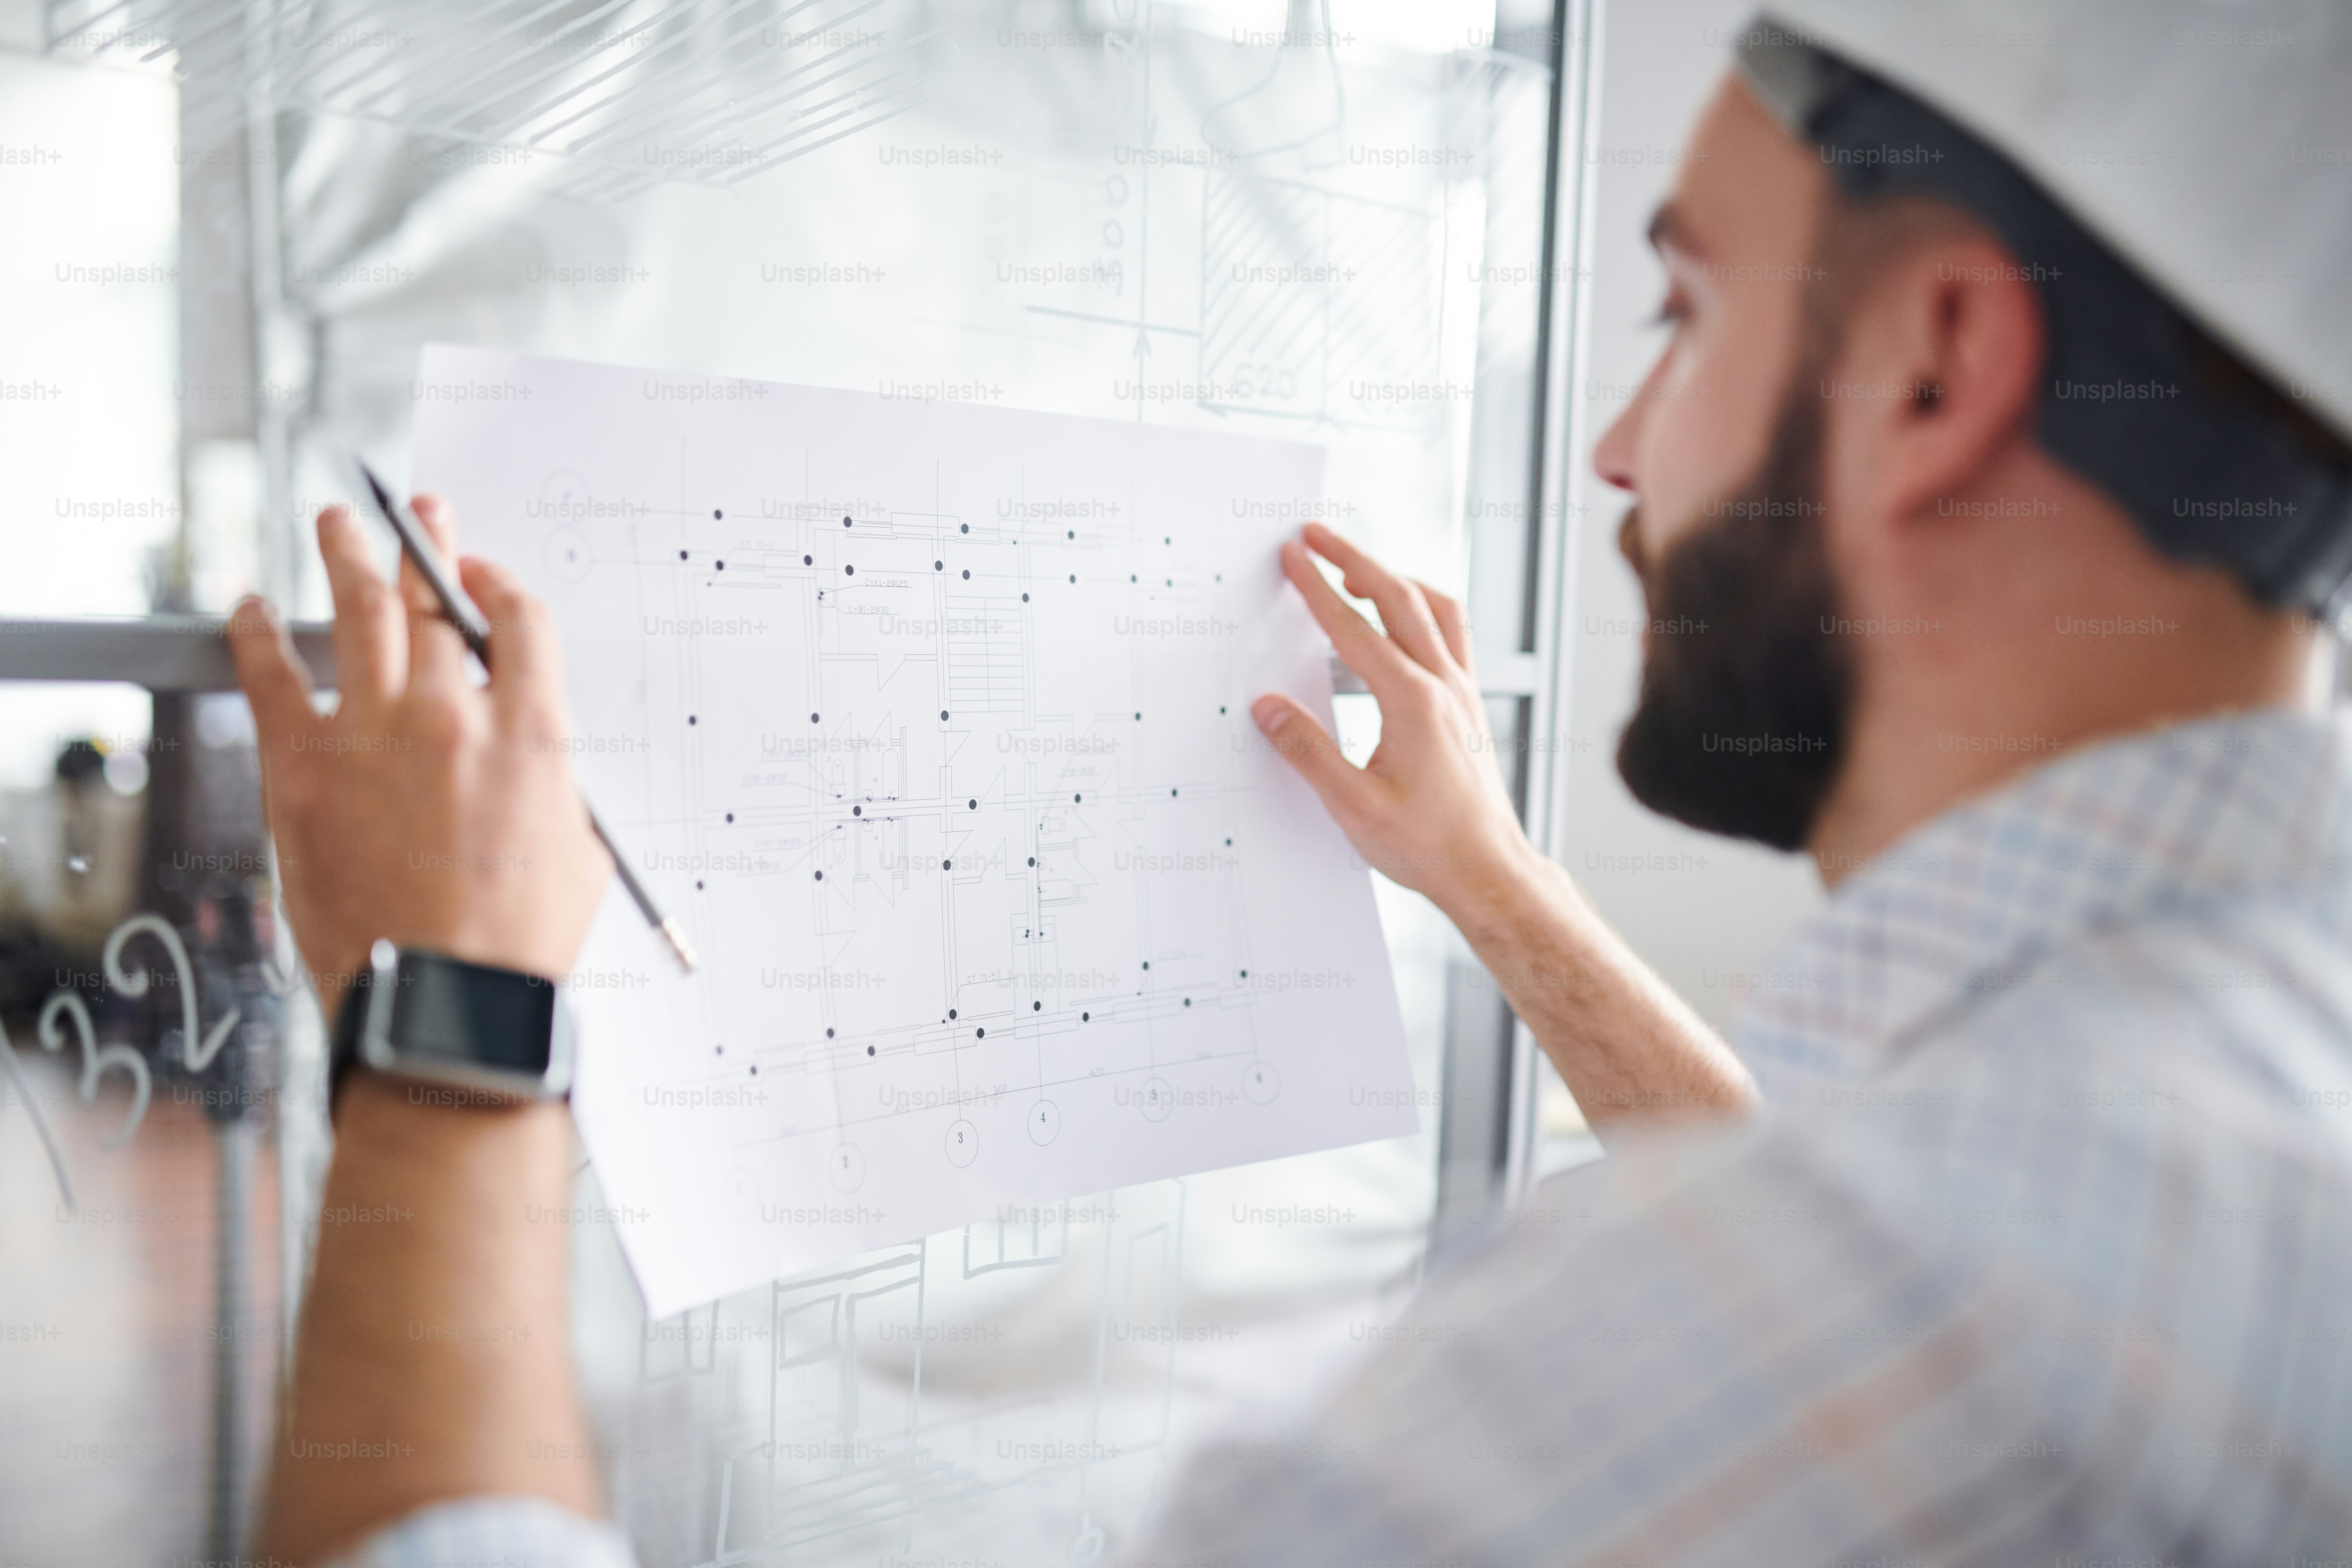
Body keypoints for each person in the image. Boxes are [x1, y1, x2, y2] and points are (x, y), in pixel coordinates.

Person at [228, 3, 2352, 1562]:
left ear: (1934, 370)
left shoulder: (1781, 1345)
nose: (1613, 449)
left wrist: (447, 1022)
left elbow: (1850, 1284)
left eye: (1687, 312)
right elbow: (1816, 1203)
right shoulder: (2226, 1085)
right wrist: (1494, 885)